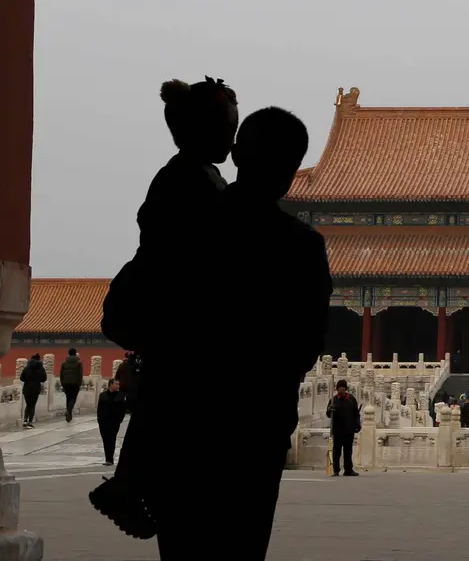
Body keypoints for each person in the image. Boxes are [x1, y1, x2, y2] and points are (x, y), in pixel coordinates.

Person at [158, 106, 332, 557]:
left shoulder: (187, 228)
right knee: (242, 544)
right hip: (256, 428)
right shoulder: (302, 247)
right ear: (295, 172)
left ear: (235, 154)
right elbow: (308, 345)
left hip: (184, 421)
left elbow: (122, 315)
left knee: (182, 548)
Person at [92, 77, 239, 540]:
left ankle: (130, 484)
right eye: (225, 129)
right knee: (169, 399)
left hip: (173, 312)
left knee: (165, 399)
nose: (231, 141)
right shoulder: (186, 180)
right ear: (198, 131)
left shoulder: (194, 175)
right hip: (174, 313)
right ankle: (127, 486)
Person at [327, 380, 361, 477]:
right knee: (336, 451)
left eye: (343, 387)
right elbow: (328, 414)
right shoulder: (333, 400)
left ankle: (348, 470)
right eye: (340, 387)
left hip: (349, 430)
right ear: (337, 389)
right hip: (337, 430)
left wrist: (357, 425)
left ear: (346, 388)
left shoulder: (351, 399)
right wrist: (330, 409)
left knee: (348, 451)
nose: (342, 389)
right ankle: (336, 470)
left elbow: (356, 414)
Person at [96, 378, 126, 466]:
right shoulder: (102, 395)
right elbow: (99, 409)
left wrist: (120, 419)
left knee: (112, 439)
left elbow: (123, 409)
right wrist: (99, 420)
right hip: (104, 422)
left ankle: (110, 459)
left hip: (114, 422)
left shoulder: (121, 395)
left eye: (118, 384)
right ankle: (107, 458)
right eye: (116, 384)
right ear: (110, 384)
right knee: (105, 439)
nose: (118, 386)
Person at [19, 353, 46, 429]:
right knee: (32, 405)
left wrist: (28, 380)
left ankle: (25, 420)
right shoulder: (41, 368)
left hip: (27, 388)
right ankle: (30, 422)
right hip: (36, 388)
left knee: (28, 405)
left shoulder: (26, 368)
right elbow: (44, 379)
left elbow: (21, 378)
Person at [60, 347, 84, 422]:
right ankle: (69, 411)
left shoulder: (64, 364)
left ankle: (69, 414)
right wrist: (79, 384)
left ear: (68, 354)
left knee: (68, 397)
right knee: (73, 398)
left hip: (66, 383)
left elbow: (61, 375)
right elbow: (80, 375)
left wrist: (62, 384)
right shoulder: (78, 363)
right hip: (75, 383)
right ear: (75, 353)